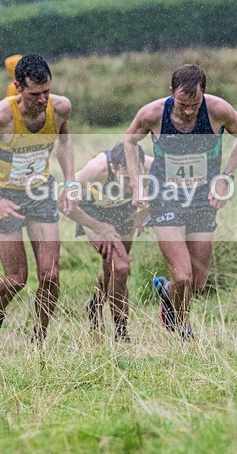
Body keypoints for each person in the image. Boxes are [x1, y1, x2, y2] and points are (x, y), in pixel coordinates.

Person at [0, 54, 76, 348]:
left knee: (50, 275)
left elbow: (64, 142)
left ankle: (38, 340)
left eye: (46, 92)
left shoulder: (61, 108)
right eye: (35, 94)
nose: (42, 100)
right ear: (18, 87)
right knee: (16, 279)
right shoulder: (0, 117)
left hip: (40, 193)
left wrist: (70, 180)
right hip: (5, 196)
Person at [124, 64, 237, 339]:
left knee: (197, 284)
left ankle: (166, 293)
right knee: (183, 276)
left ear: (204, 93)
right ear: (171, 92)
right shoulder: (153, 113)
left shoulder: (218, 110)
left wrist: (226, 177)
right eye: (182, 104)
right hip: (165, 197)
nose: (189, 111)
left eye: (195, 104)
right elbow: (129, 141)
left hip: (203, 199)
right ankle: (182, 329)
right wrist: (137, 185)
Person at [63, 143, 151, 343]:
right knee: (120, 267)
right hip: (93, 212)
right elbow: (63, 203)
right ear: (114, 168)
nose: (132, 184)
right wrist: (99, 227)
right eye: (127, 178)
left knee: (113, 270)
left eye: (136, 178)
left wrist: (145, 214)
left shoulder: (150, 166)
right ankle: (121, 332)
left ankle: (94, 305)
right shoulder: (97, 169)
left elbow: (173, 192)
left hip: (124, 210)